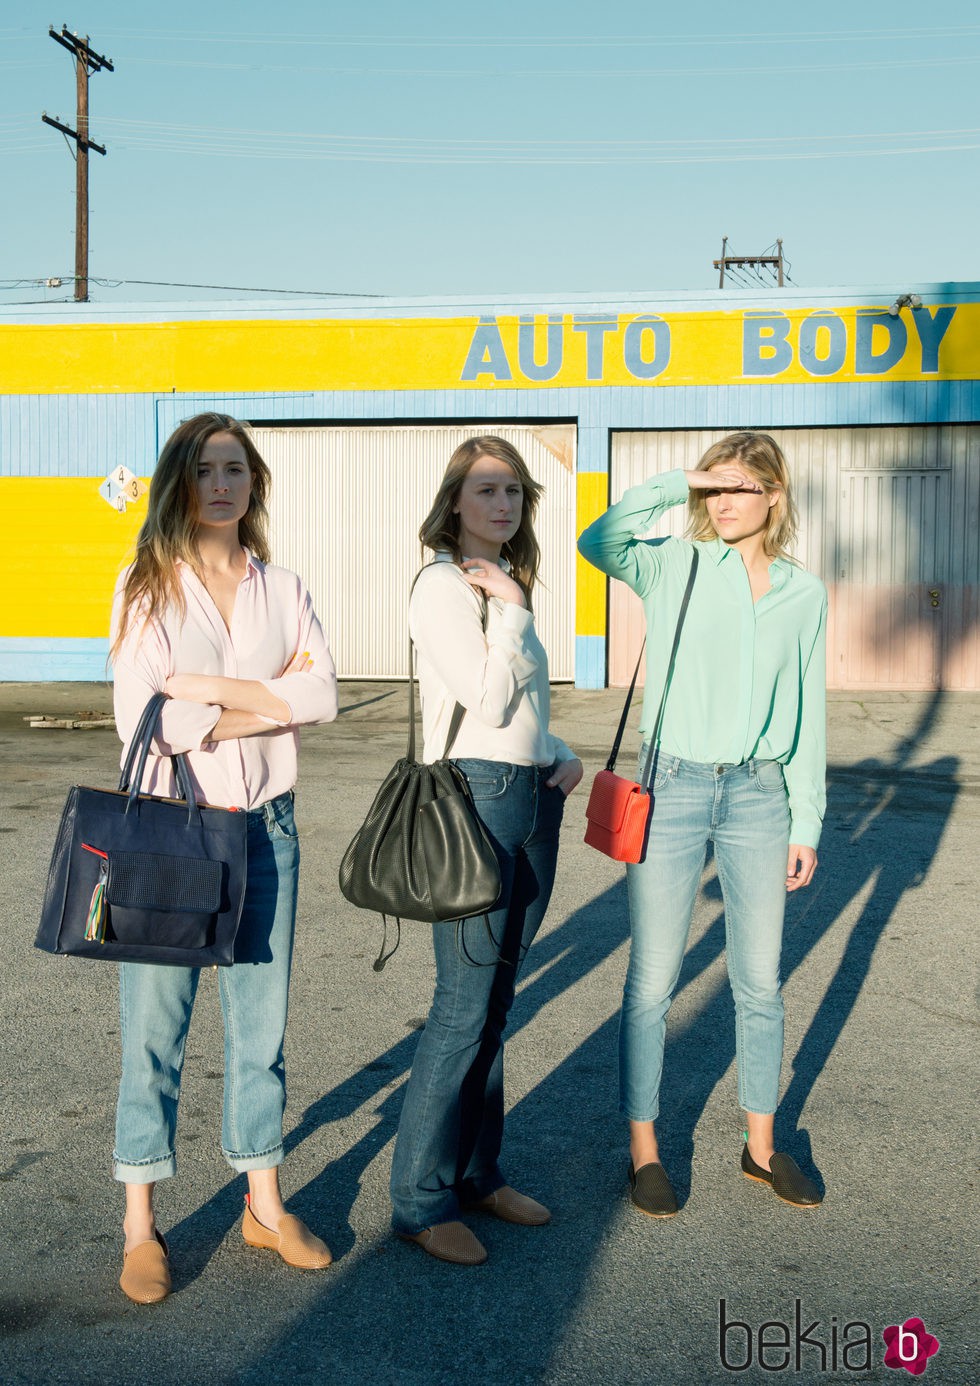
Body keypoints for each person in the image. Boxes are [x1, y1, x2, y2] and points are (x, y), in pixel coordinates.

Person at [109, 412, 338, 1303]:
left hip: (267, 830)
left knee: (261, 1035)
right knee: (153, 1037)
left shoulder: (283, 588)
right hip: (175, 830)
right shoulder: (147, 587)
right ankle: (139, 1223)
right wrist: (264, 701)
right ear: (181, 482)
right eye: (204, 469)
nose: (220, 483)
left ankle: (263, 1204)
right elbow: (144, 723)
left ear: (254, 484)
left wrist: (210, 693)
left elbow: (320, 693)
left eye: (234, 468)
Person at [578, 431, 827, 1216]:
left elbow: (808, 712)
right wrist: (678, 478)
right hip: (673, 787)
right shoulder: (673, 563)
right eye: (711, 489)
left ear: (774, 496)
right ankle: (645, 1151)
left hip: (761, 796)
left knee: (759, 982)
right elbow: (599, 539)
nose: (720, 504)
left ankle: (761, 1147)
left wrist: (807, 819)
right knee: (653, 980)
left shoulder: (803, 594)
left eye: (738, 489)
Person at [389, 436, 583, 1265]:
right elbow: (483, 693)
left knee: (497, 1008)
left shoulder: (507, 585)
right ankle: (420, 1202)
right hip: (475, 801)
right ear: (456, 502)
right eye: (487, 491)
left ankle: (476, 1173)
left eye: (514, 493)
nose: (502, 505)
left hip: (532, 797)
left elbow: (521, 713)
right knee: (462, 1010)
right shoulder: (443, 586)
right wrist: (511, 611)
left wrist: (557, 751)